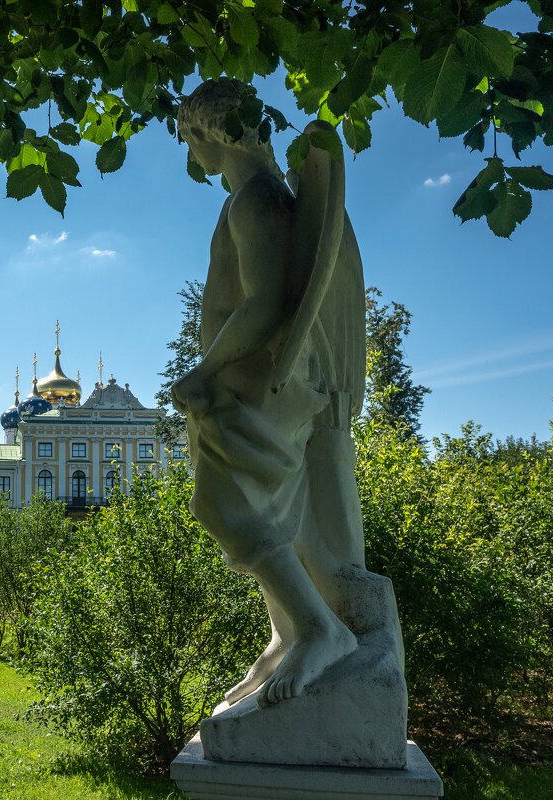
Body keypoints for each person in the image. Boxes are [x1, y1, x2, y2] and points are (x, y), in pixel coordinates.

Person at [172, 78, 369, 707]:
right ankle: (290, 630)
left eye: (190, 139)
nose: (193, 157)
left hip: (257, 378)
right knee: (245, 511)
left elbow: (264, 308)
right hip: (259, 377)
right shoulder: (266, 197)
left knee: (229, 508)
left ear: (213, 134)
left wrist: (202, 371)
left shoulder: (252, 202)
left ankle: (319, 629)